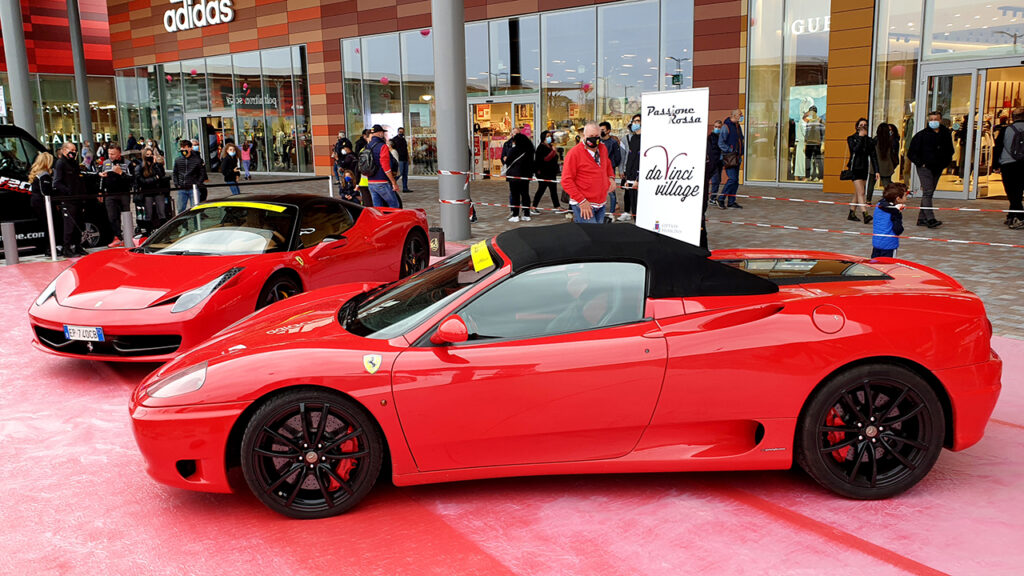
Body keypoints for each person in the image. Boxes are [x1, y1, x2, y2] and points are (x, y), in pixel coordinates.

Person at [908, 110, 954, 228]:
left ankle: (921, 218)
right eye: (931, 119)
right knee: (928, 192)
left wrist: (945, 163)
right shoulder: (921, 135)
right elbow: (911, 153)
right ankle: (930, 218)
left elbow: (950, 150)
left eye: (936, 119)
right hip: (925, 168)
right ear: (928, 121)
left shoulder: (945, 134)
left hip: (938, 167)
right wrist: (921, 163)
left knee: (929, 192)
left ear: (940, 120)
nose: (933, 122)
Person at [562, 123, 615, 224]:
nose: (594, 139)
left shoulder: (602, 148)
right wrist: (582, 201)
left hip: (601, 202)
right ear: (583, 136)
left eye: (596, 136)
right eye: (591, 136)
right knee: (590, 234)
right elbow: (566, 181)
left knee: (597, 234)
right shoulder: (574, 153)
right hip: (584, 204)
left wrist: (611, 177)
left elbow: (607, 163)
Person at [52, 142, 89, 257]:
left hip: (78, 198)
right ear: (64, 150)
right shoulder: (60, 163)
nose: (73, 152)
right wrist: (69, 192)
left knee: (79, 223)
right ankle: (67, 248)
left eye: (74, 150)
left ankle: (78, 246)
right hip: (69, 199)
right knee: (69, 225)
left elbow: (79, 179)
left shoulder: (74, 163)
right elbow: (57, 182)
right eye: (71, 150)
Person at [992, 107, 1024, 229]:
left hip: (1009, 165)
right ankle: (1012, 215)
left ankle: (1020, 217)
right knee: (1019, 191)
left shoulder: (1006, 130)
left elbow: (998, 147)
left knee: (1012, 193)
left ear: (1012, 118)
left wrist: (995, 165)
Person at [845, 117, 880, 224]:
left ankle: (851, 213)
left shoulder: (869, 141)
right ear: (857, 127)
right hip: (855, 168)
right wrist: (860, 137)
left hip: (864, 168)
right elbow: (855, 150)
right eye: (861, 125)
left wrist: (877, 170)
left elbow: (873, 156)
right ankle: (865, 214)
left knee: (858, 192)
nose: (863, 127)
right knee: (861, 192)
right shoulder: (851, 138)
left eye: (865, 125)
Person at [99, 144, 133, 247]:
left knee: (126, 215)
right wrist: (100, 191)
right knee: (112, 216)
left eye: (113, 154)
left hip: (124, 193)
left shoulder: (127, 163)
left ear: (119, 154)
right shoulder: (105, 163)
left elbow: (132, 180)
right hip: (110, 194)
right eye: (109, 153)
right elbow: (101, 178)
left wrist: (121, 173)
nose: (110, 156)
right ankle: (118, 237)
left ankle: (128, 237)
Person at [364, 125, 401, 208]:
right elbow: (386, 167)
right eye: (383, 133)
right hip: (382, 181)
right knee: (394, 205)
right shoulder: (382, 146)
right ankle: (393, 221)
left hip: (370, 181)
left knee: (378, 208)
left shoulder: (367, 146)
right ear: (380, 133)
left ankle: (380, 221)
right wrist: (393, 182)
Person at [503, 130, 535, 222]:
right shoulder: (529, 150)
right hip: (525, 176)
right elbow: (531, 164)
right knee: (525, 195)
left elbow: (508, 161)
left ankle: (515, 215)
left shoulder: (514, 150)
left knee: (515, 195)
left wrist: (506, 159)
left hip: (514, 176)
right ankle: (526, 214)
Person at [135, 146, 168, 231]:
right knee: (148, 213)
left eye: (151, 154)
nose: (149, 156)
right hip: (147, 192)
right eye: (147, 154)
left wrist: (156, 164)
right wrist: (155, 178)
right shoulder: (140, 167)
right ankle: (148, 230)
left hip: (158, 191)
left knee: (161, 212)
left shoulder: (156, 165)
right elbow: (142, 181)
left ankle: (163, 230)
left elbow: (161, 175)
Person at [717, 109, 745, 209]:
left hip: (737, 157)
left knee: (735, 181)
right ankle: (720, 198)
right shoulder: (726, 127)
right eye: (740, 114)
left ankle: (731, 201)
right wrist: (730, 150)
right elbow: (721, 143)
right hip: (729, 157)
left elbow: (740, 139)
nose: (741, 116)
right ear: (734, 115)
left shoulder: (737, 126)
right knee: (732, 179)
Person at [871, 183, 908, 258]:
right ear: (898, 199)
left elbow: (884, 203)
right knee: (888, 267)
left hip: (877, 243)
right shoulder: (895, 212)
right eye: (905, 195)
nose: (906, 198)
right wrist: (898, 213)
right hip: (889, 245)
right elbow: (898, 230)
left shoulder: (879, 205)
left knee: (874, 266)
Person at [868, 123, 900, 203]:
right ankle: (891, 198)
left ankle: (868, 200)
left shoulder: (875, 140)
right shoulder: (891, 141)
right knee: (887, 184)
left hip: (874, 166)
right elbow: (894, 154)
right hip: (886, 166)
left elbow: (872, 154)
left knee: (871, 183)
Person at [172, 139, 207, 213]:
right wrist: (176, 183)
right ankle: (183, 224)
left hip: (193, 188)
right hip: (182, 188)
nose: (183, 149)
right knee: (181, 209)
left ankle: (196, 223)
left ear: (190, 148)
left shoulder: (197, 160)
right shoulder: (178, 160)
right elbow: (175, 173)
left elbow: (202, 173)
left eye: (185, 147)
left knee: (194, 209)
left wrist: (197, 183)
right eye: (182, 148)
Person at [28, 152, 55, 244]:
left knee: (43, 225)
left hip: (35, 201)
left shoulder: (36, 174)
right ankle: (50, 247)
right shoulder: (44, 175)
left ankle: (48, 247)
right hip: (43, 203)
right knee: (49, 225)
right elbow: (45, 191)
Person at [619, 113, 642, 221]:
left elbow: (642, 160)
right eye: (634, 121)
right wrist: (627, 177)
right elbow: (630, 158)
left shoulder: (646, 139)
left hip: (639, 178)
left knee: (640, 205)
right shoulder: (633, 139)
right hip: (631, 177)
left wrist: (638, 178)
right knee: (634, 206)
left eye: (638, 121)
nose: (635, 123)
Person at [532, 130, 561, 212]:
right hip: (543, 173)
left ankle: (557, 206)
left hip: (551, 172)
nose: (549, 138)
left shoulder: (551, 146)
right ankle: (534, 206)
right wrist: (553, 152)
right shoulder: (541, 148)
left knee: (553, 190)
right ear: (543, 137)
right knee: (541, 189)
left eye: (550, 136)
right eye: (547, 136)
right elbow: (545, 159)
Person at [599, 121, 623, 218]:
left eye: (603, 130)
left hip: (609, 170)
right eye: (599, 130)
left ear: (608, 131)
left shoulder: (613, 142)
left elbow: (618, 157)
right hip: (598, 170)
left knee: (611, 192)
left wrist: (612, 165)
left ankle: (612, 212)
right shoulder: (598, 141)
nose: (601, 132)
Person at [803, 106, 824, 181]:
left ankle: (821, 177)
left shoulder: (820, 120)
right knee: (807, 161)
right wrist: (804, 144)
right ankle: (808, 176)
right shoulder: (809, 121)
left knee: (818, 161)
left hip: (817, 143)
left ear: (815, 112)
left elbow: (823, 133)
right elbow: (806, 133)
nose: (811, 113)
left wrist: (823, 144)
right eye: (810, 111)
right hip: (808, 143)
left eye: (812, 111)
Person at [706, 119, 723, 205]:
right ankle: (712, 198)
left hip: (720, 161)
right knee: (715, 180)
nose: (717, 128)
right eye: (716, 127)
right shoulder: (711, 137)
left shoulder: (723, 136)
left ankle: (713, 196)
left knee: (718, 180)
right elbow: (710, 150)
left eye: (719, 127)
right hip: (714, 161)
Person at [391, 127, 412, 193]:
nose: (401, 133)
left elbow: (406, 150)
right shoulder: (394, 140)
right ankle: (392, 184)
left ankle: (405, 188)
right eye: (400, 132)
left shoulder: (403, 139)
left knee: (405, 174)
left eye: (402, 132)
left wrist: (408, 158)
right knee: (399, 174)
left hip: (405, 158)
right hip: (399, 159)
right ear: (398, 132)